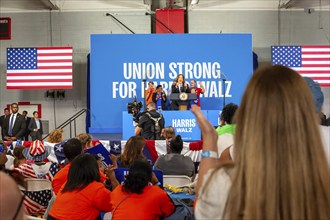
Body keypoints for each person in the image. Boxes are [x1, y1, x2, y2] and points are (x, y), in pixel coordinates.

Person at [193, 65, 330, 219]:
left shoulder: (226, 186)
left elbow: (204, 201)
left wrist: (209, 140)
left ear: (249, 109)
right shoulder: (322, 182)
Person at [49, 154, 118, 220]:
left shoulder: (67, 184)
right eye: (99, 166)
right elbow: (117, 203)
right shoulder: (95, 188)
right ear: (94, 170)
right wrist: (113, 179)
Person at [110, 160, 175, 219]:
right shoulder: (157, 193)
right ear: (151, 177)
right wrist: (157, 183)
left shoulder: (117, 191)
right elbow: (170, 210)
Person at [15, 140, 60, 215]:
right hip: (48, 210)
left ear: (30, 155)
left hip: (28, 211)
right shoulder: (54, 168)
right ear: (45, 154)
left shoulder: (24, 169)